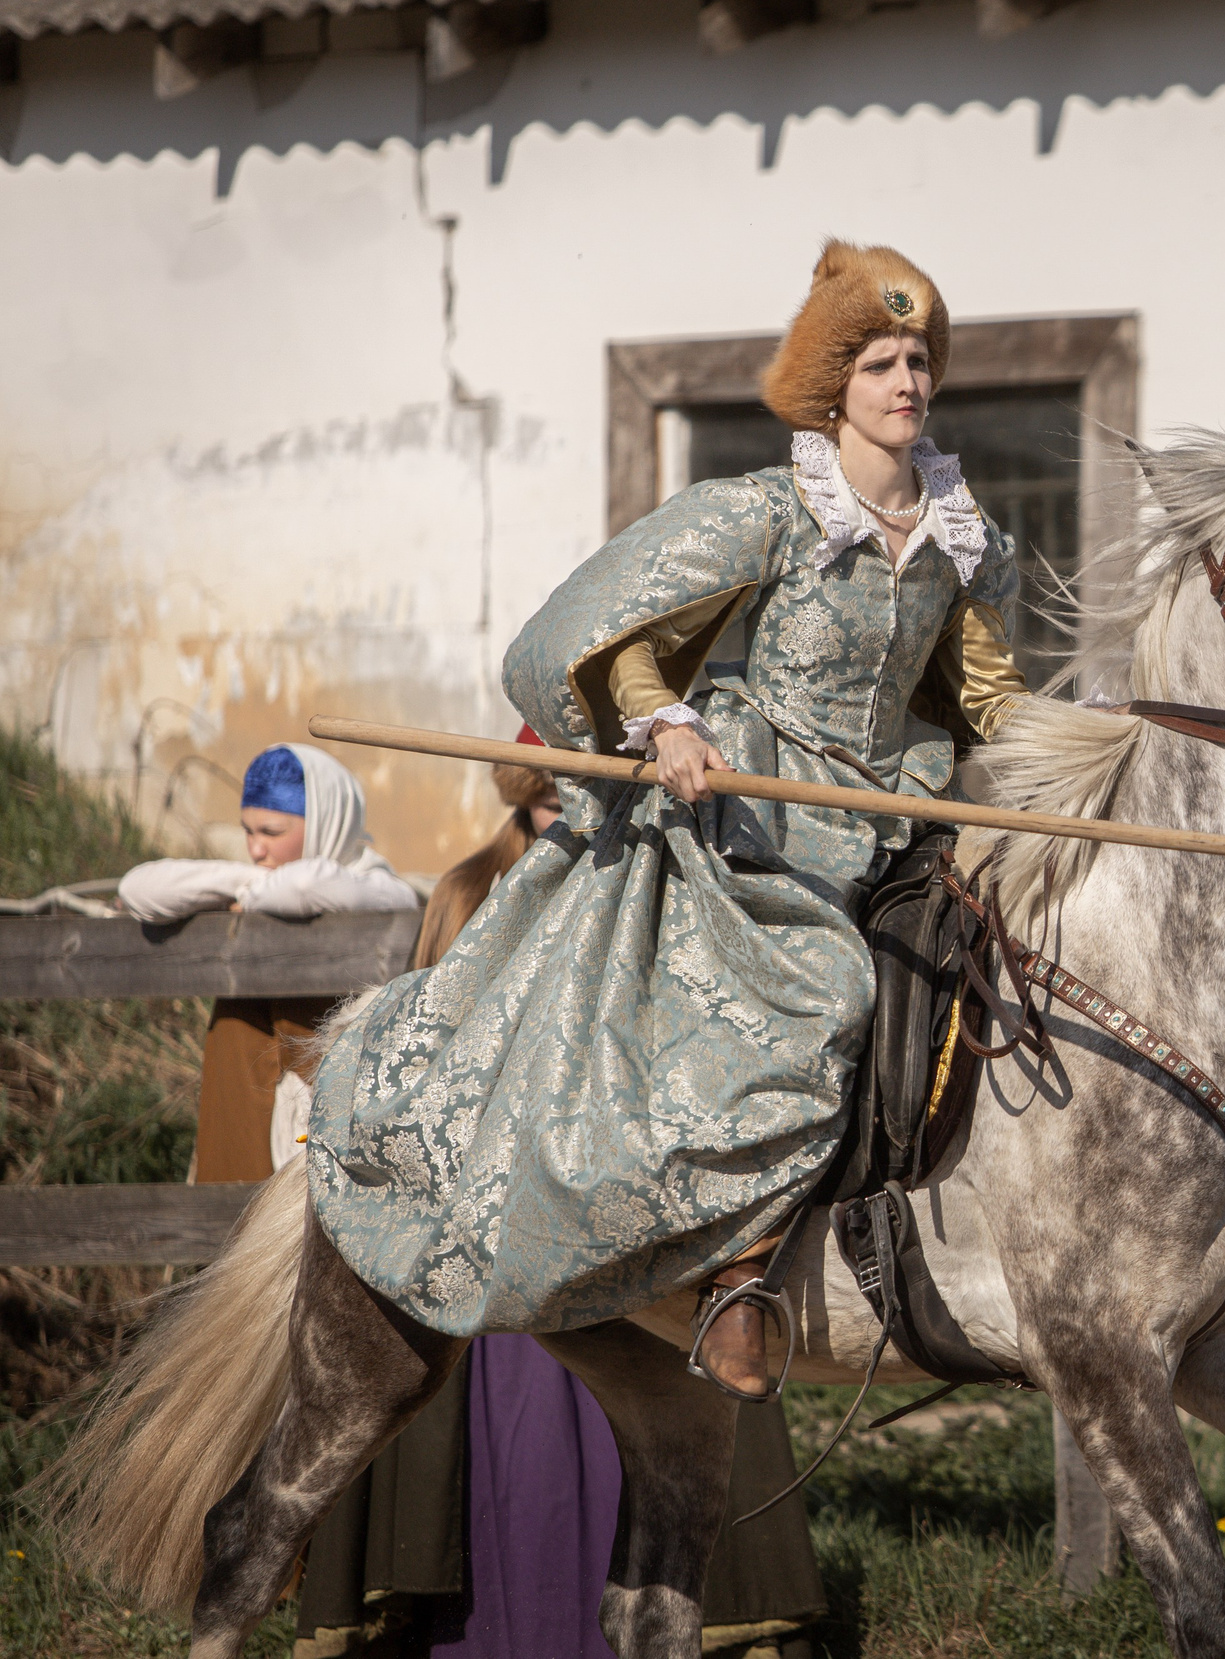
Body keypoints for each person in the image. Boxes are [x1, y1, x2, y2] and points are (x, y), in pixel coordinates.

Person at [307, 240, 1028, 1400]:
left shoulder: (962, 535)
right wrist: (667, 725)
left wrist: (1079, 748)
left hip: (897, 811)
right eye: (884, 363)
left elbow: (991, 696)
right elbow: (595, 627)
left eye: (920, 363)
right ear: (834, 386)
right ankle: (739, 1280)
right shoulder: (767, 515)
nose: (909, 384)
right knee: (823, 989)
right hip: (758, 817)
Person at [296, 738, 825, 1659]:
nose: (568, 823)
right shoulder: (474, 890)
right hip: (504, 1210)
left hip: (618, 1205)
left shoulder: (657, 885)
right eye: (550, 806)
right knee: (503, 1449)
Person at [118, 742, 417, 1183]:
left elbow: (308, 886)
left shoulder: (377, 885)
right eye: (248, 831)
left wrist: (251, 892)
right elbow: (137, 889)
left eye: (272, 832)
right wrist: (247, 882)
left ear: (323, 823)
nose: (256, 849)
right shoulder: (263, 880)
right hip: (261, 1080)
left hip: (332, 1092)